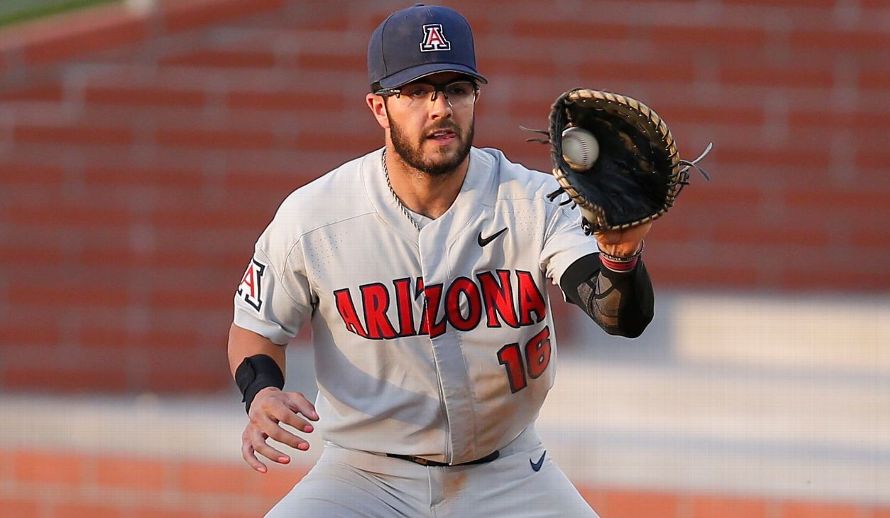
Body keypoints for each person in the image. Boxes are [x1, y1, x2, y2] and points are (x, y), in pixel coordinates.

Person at [228, 4, 654, 516]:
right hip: (363, 475)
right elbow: (255, 329)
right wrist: (261, 394)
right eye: (416, 91)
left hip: (509, 472)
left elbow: (618, 316)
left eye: (456, 89)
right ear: (379, 108)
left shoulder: (534, 201)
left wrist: (620, 255)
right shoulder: (315, 216)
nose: (440, 108)